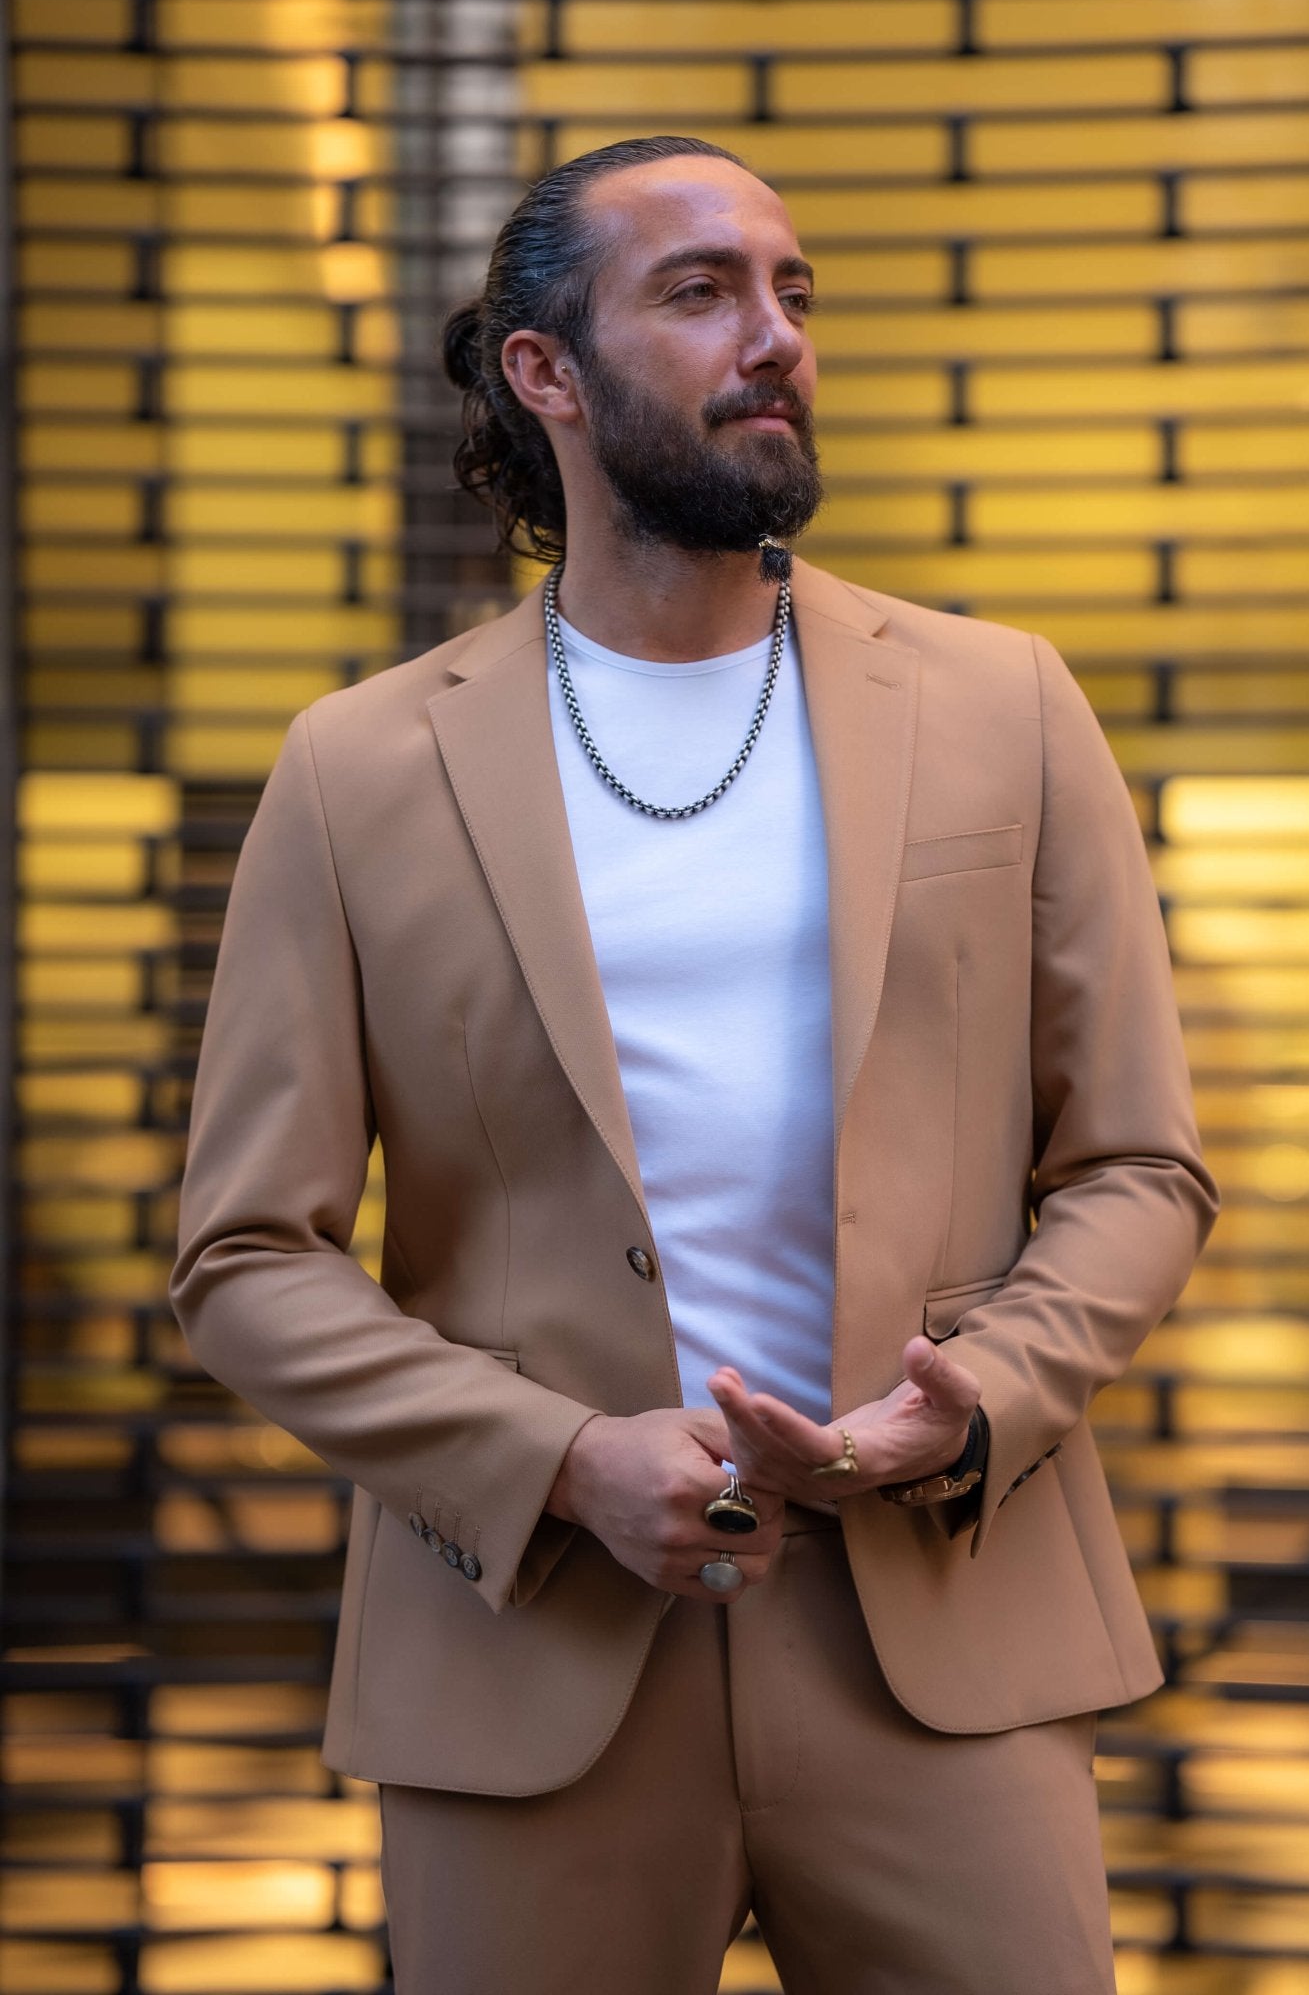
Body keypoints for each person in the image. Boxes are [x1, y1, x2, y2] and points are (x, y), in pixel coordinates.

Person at [170, 134, 1219, 1995]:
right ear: (543, 372)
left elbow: (1140, 1165)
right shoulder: (357, 772)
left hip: (944, 1641)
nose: (777, 335)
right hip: (533, 1661)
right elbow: (247, 1257)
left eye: (794, 290)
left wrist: (974, 1398)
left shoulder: (1007, 709)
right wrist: (560, 1461)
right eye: (702, 291)